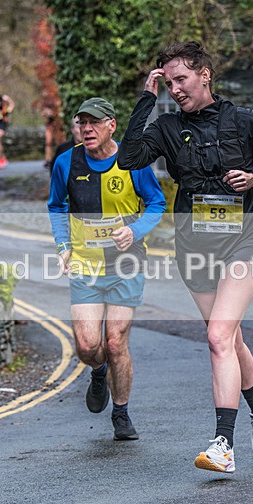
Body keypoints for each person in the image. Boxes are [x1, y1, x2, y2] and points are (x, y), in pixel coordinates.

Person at [117, 41, 253, 473]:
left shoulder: (244, 121)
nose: (175, 88)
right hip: (195, 246)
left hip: (246, 239)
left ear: (205, 75)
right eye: (168, 82)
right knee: (229, 339)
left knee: (217, 337)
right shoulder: (165, 127)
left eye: (181, 79)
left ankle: (222, 444)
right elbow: (127, 158)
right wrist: (147, 98)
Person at [48, 97, 165, 441]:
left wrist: (136, 230)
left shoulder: (132, 161)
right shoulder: (66, 163)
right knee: (87, 346)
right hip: (84, 265)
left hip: (125, 263)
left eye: (94, 122)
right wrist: (62, 245)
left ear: (111, 125)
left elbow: (157, 202)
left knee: (115, 342)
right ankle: (97, 371)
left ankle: (121, 413)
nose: (86, 129)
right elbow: (56, 206)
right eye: (81, 122)